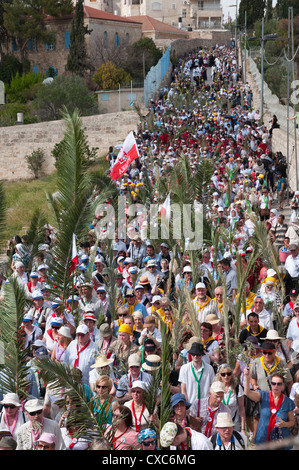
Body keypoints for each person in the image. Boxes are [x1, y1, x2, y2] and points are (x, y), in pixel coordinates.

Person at [244, 366, 295, 448]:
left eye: (279, 384)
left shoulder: (288, 402)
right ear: (270, 384)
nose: (276, 386)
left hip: (281, 441)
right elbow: (247, 393)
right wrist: (247, 378)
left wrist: (284, 424)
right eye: (273, 383)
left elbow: (292, 422)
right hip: (263, 439)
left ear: (283, 385)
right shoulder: (264, 396)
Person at [215, 364, 246, 433]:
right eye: (223, 374)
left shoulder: (237, 388)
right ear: (220, 375)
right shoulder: (215, 388)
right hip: (219, 423)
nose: (226, 376)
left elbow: (241, 408)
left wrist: (243, 428)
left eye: (228, 374)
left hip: (233, 423)